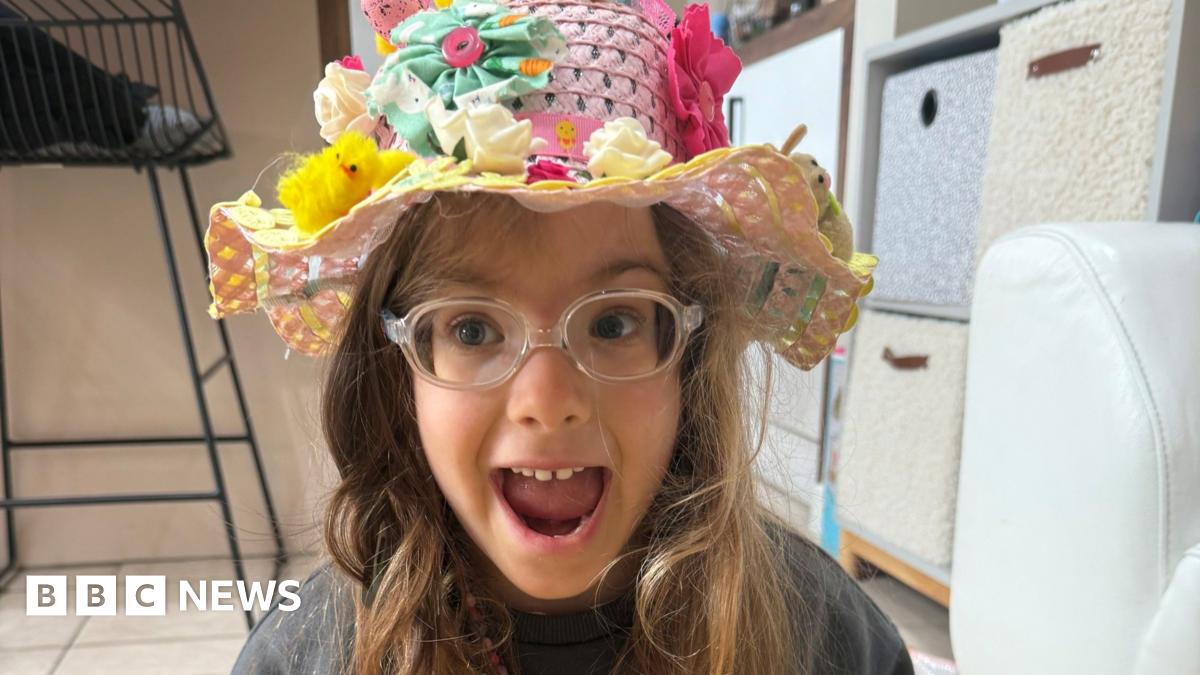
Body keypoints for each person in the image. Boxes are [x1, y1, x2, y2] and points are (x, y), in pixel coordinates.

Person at [205, 0, 908, 673]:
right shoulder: (306, 656)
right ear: (399, 372)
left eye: (613, 322)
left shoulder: (826, 638)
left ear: (690, 354)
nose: (548, 400)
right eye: (473, 328)